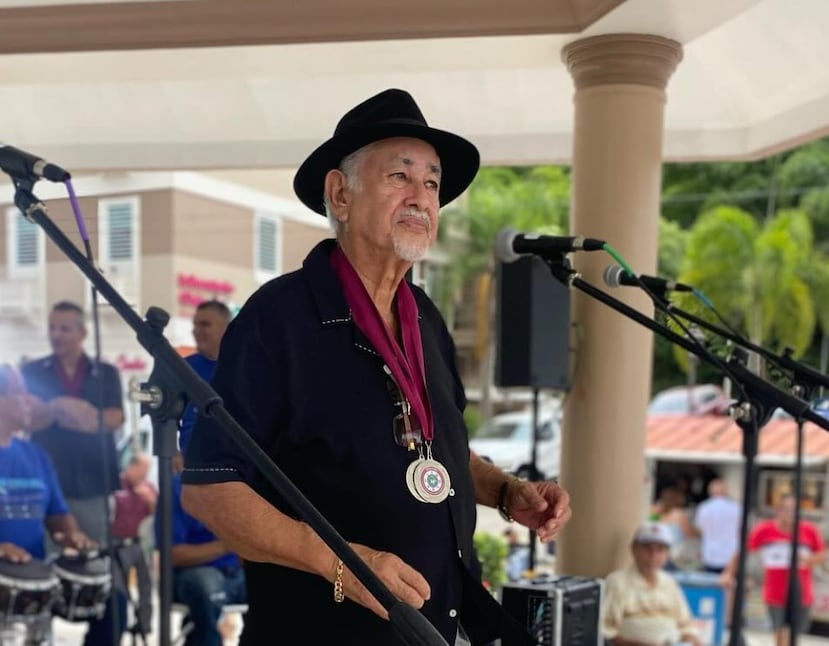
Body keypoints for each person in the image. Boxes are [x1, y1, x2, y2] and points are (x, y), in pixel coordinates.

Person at [180, 88, 572, 645]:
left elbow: (441, 451)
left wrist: (508, 491)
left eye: (432, 183)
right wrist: (345, 563)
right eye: (400, 177)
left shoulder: (426, 319)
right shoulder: (279, 318)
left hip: (441, 627)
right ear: (340, 194)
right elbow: (210, 488)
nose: (421, 197)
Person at [21, 300, 126, 645]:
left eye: (65, 328)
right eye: (52, 328)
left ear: (83, 332)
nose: (56, 335)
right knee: (40, 571)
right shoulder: (34, 371)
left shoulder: (105, 372)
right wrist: (73, 414)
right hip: (48, 487)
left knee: (96, 565)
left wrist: (63, 413)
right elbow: (31, 418)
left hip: (94, 485)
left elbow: (114, 419)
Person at [0, 364, 96, 640]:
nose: (30, 400)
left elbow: (57, 513)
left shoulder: (36, 456)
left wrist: (71, 533)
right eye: (20, 393)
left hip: (31, 583)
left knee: (115, 603)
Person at [721, 494, 826, 646]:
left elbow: (821, 554)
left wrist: (809, 560)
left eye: (795, 510)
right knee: (781, 630)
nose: (791, 514)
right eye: (787, 510)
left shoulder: (809, 530)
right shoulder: (764, 529)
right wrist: (728, 573)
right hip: (775, 591)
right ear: (779, 510)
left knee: (794, 632)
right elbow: (742, 552)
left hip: (802, 591)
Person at [164, 473, 246, 646]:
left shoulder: (239, 482)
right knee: (208, 588)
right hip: (192, 574)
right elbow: (173, 554)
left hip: (233, 573)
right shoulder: (177, 487)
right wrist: (225, 546)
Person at [602, 522, 701, 646]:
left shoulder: (669, 583)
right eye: (647, 549)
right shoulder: (617, 582)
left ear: (666, 555)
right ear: (634, 549)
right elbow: (607, 632)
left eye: (660, 550)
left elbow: (686, 625)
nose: (653, 555)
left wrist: (692, 638)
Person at [174, 299, 232, 473]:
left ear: (227, 328)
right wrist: (171, 450)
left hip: (235, 470)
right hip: (193, 469)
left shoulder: (244, 367)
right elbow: (166, 414)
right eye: (195, 325)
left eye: (205, 324)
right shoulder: (184, 368)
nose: (197, 331)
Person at [112, 452, 157, 637]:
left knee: (146, 585)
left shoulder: (149, 488)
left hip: (139, 543)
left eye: (147, 472)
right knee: (120, 588)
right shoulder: (116, 485)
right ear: (132, 466)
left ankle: (144, 624)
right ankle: (120, 625)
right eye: (142, 471)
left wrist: (150, 500)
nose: (144, 476)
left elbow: (158, 517)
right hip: (117, 544)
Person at [692, 478, 740, 574]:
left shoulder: (703, 508)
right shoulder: (737, 508)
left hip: (710, 554)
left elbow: (699, 529)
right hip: (731, 555)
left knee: (711, 585)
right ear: (726, 490)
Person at [651, 486, 694, 570]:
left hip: (656, 553)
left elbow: (650, 524)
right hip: (672, 556)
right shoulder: (679, 515)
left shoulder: (655, 512)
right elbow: (689, 534)